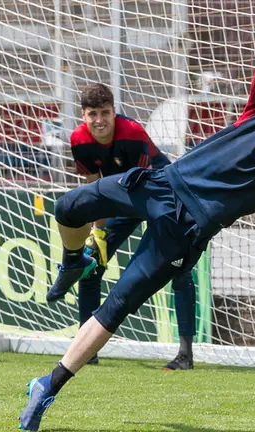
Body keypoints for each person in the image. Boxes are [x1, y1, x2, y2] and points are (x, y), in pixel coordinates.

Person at [18, 29, 255, 431]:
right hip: (161, 186)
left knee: (115, 308)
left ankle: (47, 385)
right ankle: (74, 260)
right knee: (68, 207)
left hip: (189, 230)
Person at [48, 83, 197, 370]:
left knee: (180, 268)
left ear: (115, 111)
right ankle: (86, 350)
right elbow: (94, 188)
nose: (100, 120)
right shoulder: (79, 139)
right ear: (83, 115)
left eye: (105, 113)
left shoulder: (132, 133)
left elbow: (142, 180)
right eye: (93, 114)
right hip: (122, 197)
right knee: (91, 265)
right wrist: (98, 232)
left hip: (160, 195)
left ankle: (185, 354)